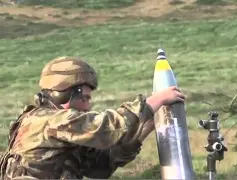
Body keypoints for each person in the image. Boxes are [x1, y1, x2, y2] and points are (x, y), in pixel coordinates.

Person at [0, 56, 185, 179]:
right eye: (85, 98)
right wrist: (154, 101)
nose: (88, 105)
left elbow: (100, 167)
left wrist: (142, 131)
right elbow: (104, 128)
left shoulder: (57, 129)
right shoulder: (51, 121)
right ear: (65, 94)